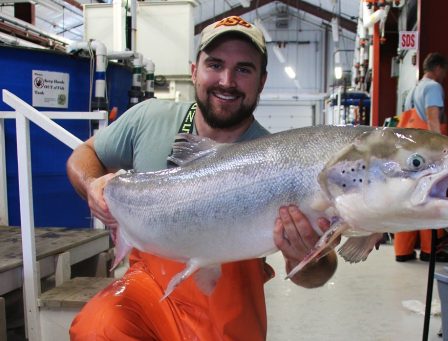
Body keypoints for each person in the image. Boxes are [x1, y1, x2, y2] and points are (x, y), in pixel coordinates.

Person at [66, 15, 338, 340]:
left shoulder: (281, 158)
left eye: (244, 69)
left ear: (262, 80)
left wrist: (304, 254)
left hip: (226, 313)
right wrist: (93, 185)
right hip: (147, 288)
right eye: (215, 64)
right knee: (99, 327)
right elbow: (82, 157)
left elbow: (317, 276)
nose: (227, 80)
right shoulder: (149, 119)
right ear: (195, 70)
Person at [394, 52, 448, 263]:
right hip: (427, 152)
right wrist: (441, 152)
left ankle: (403, 250)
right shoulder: (433, 88)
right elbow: (432, 118)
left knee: (409, 201)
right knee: (430, 199)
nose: (444, 75)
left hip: (411, 152)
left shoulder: (413, 91)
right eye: (444, 71)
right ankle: (431, 251)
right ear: (438, 68)